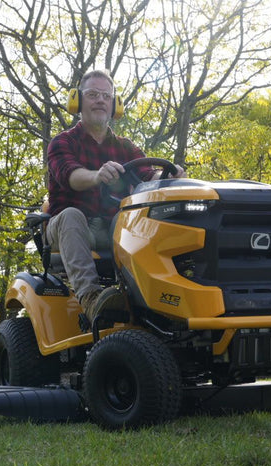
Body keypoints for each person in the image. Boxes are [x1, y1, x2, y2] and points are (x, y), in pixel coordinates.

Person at [45, 69, 185, 322]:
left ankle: (164, 298)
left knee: (150, 218)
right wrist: (97, 175)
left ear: (114, 105)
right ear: (76, 101)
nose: (100, 100)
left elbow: (147, 175)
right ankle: (91, 298)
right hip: (71, 228)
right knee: (71, 215)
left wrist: (170, 178)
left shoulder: (126, 147)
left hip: (114, 226)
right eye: (92, 94)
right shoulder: (62, 142)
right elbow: (71, 176)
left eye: (106, 96)